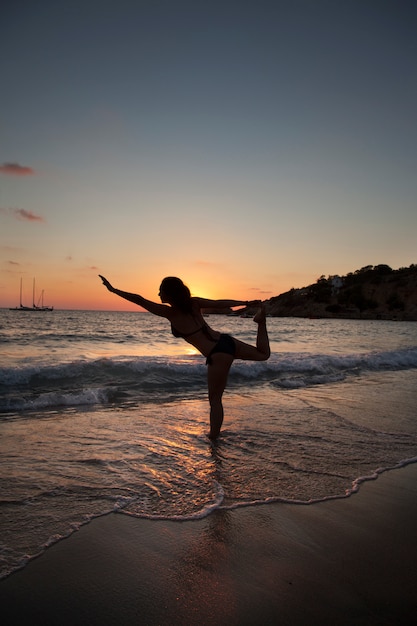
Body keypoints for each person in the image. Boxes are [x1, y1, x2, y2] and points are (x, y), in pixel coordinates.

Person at [99, 275, 271, 439]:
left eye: (161, 291)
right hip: (226, 341)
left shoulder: (170, 313)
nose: (158, 294)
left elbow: (139, 299)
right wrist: (246, 303)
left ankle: (213, 438)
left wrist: (113, 290)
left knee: (215, 400)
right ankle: (260, 322)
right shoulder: (193, 303)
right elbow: (219, 303)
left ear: (169, 294)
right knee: (263, 354)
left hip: (217, 353)